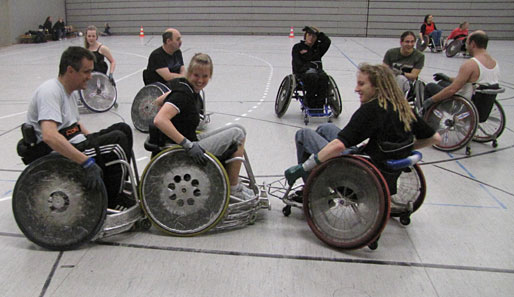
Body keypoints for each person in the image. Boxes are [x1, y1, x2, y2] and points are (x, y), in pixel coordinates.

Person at [284, 64, 441, 198]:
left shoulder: (371, 110)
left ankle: (312, 190)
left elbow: (339, 146)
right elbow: (435, 138)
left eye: (361, 84)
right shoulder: (403, 108)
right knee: (326, 128)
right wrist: (405, 150)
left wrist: (303, 167)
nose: (356, 89)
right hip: (381, 166)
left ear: (376, 87)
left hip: (360, 172)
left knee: (303, 134)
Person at [20, 46, 134, 209]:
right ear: (70, 70)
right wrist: (86, 162)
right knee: (117, 142)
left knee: (123, 129)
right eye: (86, 72)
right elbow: (49, 136)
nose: (90, 77)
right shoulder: (50, 91)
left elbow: (75, 125)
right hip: (55, 154)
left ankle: (117, 187)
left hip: (75, 142)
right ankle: (111, 201)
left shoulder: (71, 91)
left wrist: (94, 141)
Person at [153, 53, 254, 200]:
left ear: (210, 76)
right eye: (196, 75)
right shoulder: (183, 94)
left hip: (190, 140)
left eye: (205, 76)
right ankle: (233, 188)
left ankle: (232, 180)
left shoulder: (183, 85)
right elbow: (159, 120)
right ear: (189, 73)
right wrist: (186, 144)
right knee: (238, 135)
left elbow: (158, 101)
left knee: (240, 129)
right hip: (182, 150)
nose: (200, 80)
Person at [423, 31, 500, 110]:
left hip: (462, 103)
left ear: (473, 44)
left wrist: (431, 100)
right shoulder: (494, 62)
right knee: (442, 83)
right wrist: (447, 78)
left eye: (467, 43)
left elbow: (452, 90)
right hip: (480, 103)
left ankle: (425, 116)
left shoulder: (471, 64)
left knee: (430, 87)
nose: (466, 47)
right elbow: (470, 81)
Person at [292, 26, 331, 110]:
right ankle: (310, 102)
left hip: (317, 72)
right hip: (303, 73)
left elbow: (327, 42)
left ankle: (320, 105)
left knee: (324, 78)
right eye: (309, 35)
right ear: (305, 35)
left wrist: (319, 33)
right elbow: (296, 63)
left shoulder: (317, 49)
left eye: (314, 36)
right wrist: (307, 68)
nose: (311, 38)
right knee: (312, 77)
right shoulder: (297, 47)